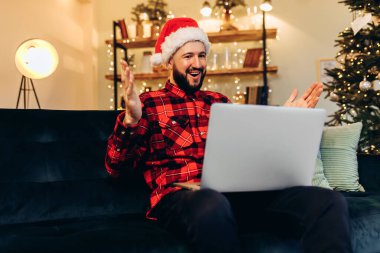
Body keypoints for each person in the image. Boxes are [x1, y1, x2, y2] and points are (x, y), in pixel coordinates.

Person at [105, 17, 352, 253]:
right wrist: (131, 119)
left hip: (237, 196)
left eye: (202, 55)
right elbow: (117, 168)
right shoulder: (148, 103)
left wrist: (284, 120)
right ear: (169, 61)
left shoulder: (220, 102)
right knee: (211, 203)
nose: (198, 64)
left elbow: (252, 152)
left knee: (329, 202)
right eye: (188, 56)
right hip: (182, 198)